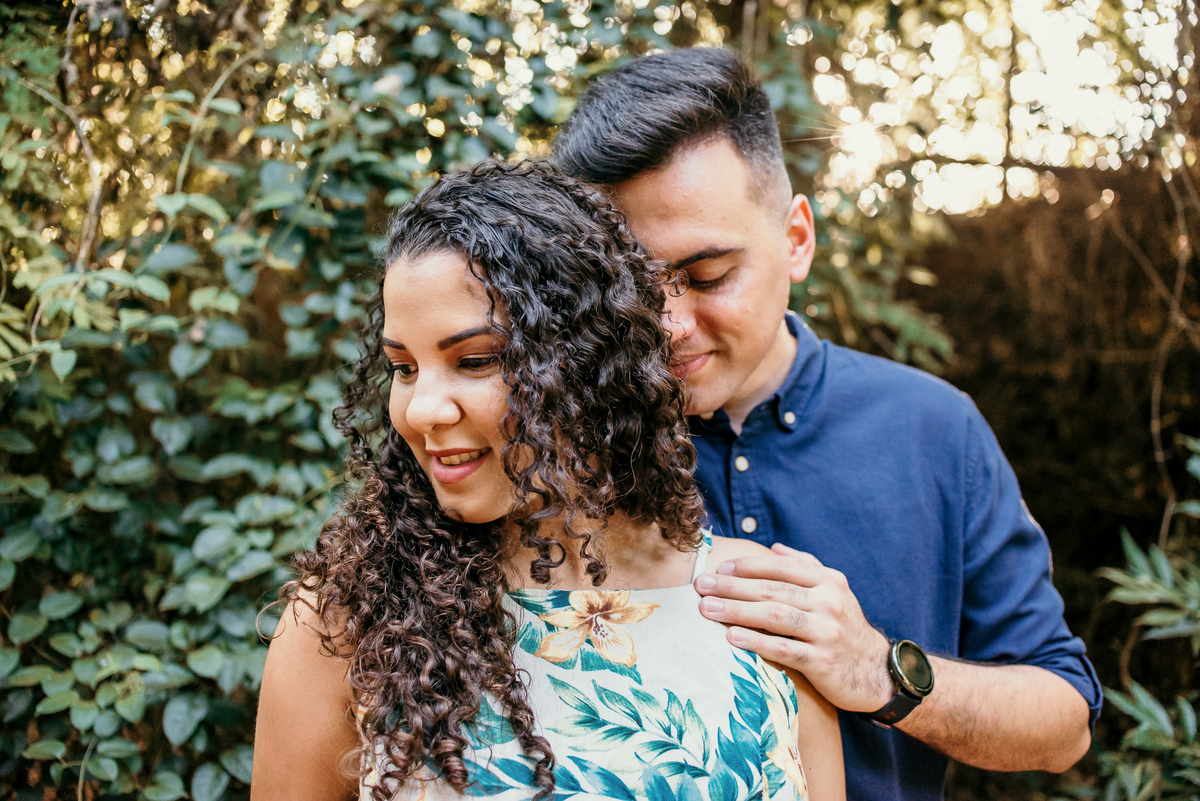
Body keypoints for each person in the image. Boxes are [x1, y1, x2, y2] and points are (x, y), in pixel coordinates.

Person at [552, 47, 1101, 800]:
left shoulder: (935, 431)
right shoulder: (551, 447)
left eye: (708, 276)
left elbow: (1064, 723)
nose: (668, 325)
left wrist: (878, 669)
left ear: (797, 239)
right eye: (630, 288)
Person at [250, 159, 845, 801]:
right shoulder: (347, 623)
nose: (421, 411)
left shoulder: (759, 609)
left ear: (588, 363)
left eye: (474, 360)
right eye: (404, 367)